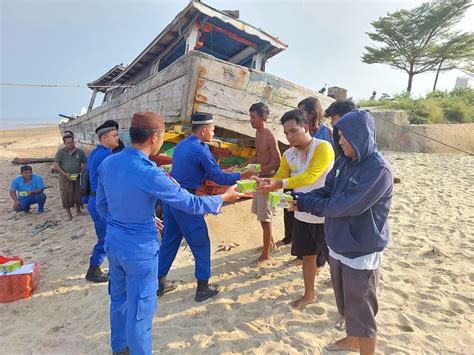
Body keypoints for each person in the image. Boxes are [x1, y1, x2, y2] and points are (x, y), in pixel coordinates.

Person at [96, 111, 243, 355]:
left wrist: (132, 219)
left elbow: (102, 205)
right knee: (141, 311)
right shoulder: (151, 172)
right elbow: (191, 204)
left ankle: (119, 349)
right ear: (154, 137)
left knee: (119, 300)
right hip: (139, 251)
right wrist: (223, 198)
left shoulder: (109, 163)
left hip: (114, 243)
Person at [293, 110, 393, 355]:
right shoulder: (343, 161)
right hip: (337, 244)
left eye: (343, 137)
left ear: (358, 137)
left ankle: (365, 348)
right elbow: (328, 191)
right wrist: (300, 197)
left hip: (360, 251)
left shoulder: (378, 171)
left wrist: (307, 204)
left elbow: (343, 206)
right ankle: (351, 338)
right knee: (345, 303)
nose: (339, 142)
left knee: (362, 311)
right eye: (338, 136)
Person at [158, 112, 256, 302]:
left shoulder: (182, 146)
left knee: (169, 241)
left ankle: (158, 283)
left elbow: (193, 171)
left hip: (171, 200)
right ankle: (203, 288)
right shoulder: (201, 149)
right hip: (187, 201)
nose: (213, 134)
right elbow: (218, 178)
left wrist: (223, 172)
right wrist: (242, 175)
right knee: (201, 242)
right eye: (212, 130)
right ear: (203, 131)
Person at [257, 109, 334, 309]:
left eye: (293, 131)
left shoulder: (323, 148)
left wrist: (277, 184)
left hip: (326, 215)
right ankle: (309, 294)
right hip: (301, 212)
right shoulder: (288, 154)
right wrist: (266, 183)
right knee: (308, 256)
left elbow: (310, 176)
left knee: (335, 259)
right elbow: (280, 176)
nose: (289, 136)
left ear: (306, 127)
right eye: (286, 133)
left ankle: (342, 297)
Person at [84, 120, 120, 283]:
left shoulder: (93, 153)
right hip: (101, 202)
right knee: (105, 237)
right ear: (104, 138)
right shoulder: (106, 155)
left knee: (106, 235)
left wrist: (85, 199)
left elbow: (85, 176)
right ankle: (93, 269)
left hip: (93, 199)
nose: (117, 138)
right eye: (115, 135)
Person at [246, 103, 281, 264]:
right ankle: (270, 244)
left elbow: (277, 161)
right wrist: (244, 166)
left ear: (262, 117)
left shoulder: (269, 135)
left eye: (253, 116)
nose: (250, 120)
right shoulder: (258, 134)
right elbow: (258, 156)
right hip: (259, 178)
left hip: (267, 180)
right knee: (261, 216)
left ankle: (266, 254)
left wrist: (259, 173)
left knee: (265, 218)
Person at [54, 134, 86, 220]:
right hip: (65, 178)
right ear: (64, 143)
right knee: (66, 195)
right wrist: (65, 174)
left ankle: (78, 211)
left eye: (72, 142)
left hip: (77, 176)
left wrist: (81, 172)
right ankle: (69, 214)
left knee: (78, 194)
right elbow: (56, 165)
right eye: (68, 143)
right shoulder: (61, 152)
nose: (71, 144)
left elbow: (85, 163)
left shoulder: (80, 152)